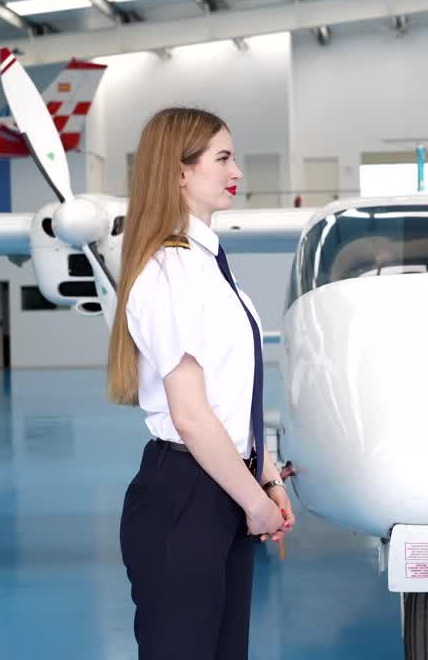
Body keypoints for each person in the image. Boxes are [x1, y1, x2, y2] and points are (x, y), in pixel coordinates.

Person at [106, 107, 295, 658]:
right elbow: (189, 415)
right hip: (186, 494)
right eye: (222, 157)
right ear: (180, 172)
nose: (236, 169)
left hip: (223, 488)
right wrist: (252, 503)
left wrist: (266, 478)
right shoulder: (171, 269)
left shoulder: (208, 264)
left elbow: (232, 397)